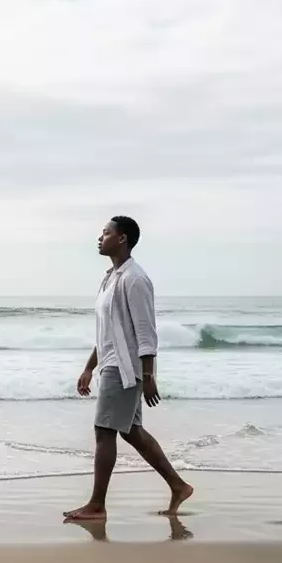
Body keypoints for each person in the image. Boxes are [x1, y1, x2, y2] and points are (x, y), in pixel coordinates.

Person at [64, 216, 193, 521]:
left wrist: (148, 376)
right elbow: (109, 331)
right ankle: (178, 485)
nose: (100, 237)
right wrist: (88, 368)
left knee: (104, 430)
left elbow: (146, 331)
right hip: (111, 363)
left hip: (124, 368)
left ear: (122, 238)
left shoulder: (135, 279)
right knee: (131, 432)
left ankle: (97, 504)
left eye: (106, 233)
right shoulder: (111, 278)